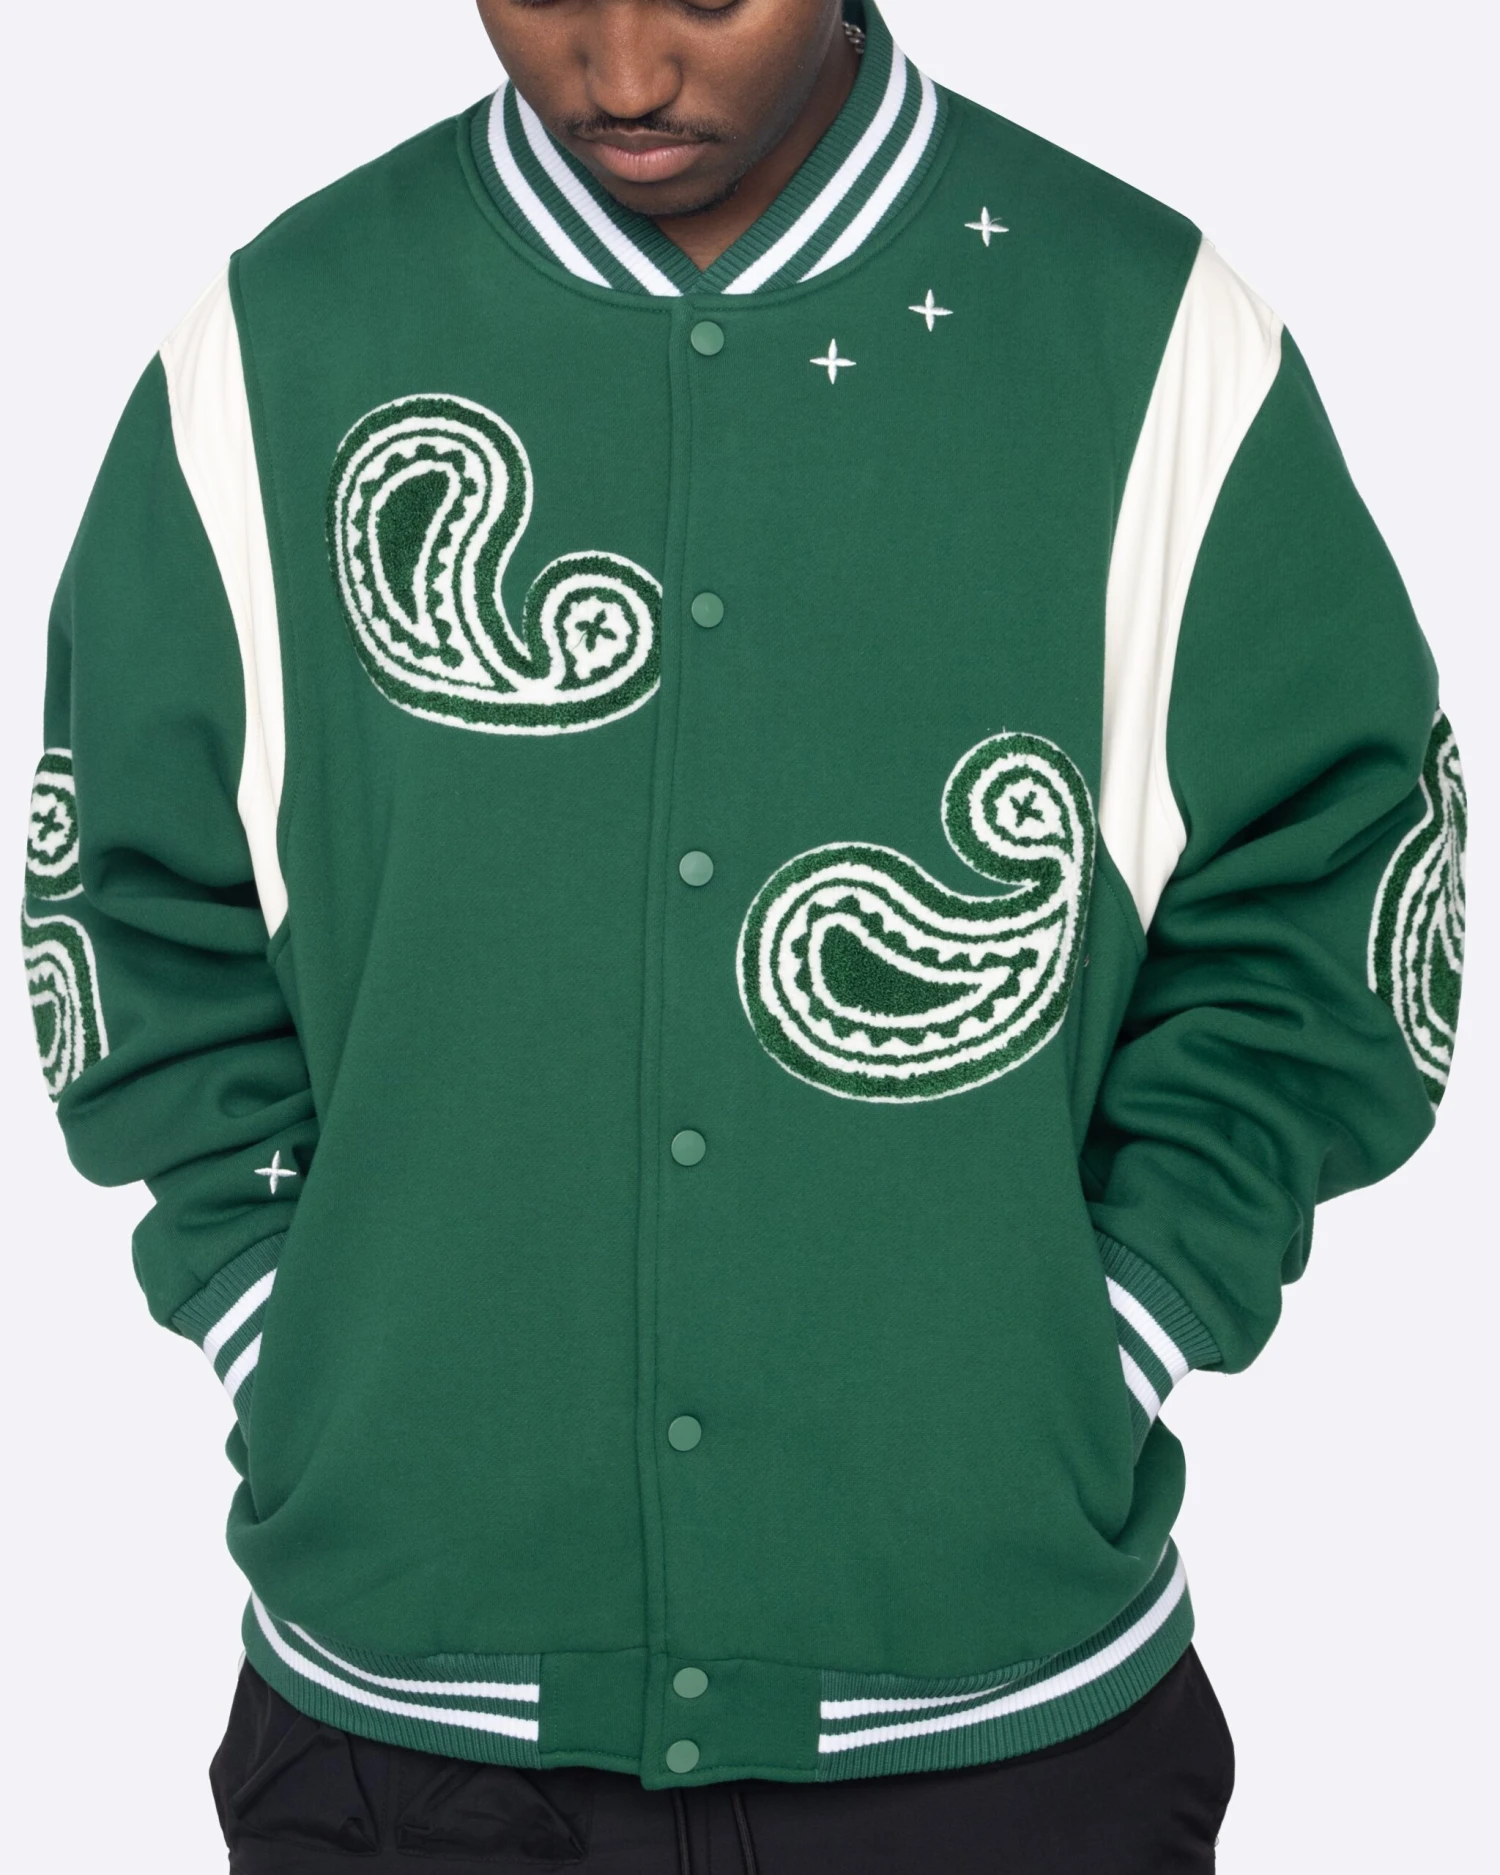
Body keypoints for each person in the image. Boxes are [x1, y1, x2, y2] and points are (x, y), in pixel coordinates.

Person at [20, 1, 1467, 1868]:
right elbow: (125, 898)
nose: (624, 74)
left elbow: (1340, 884)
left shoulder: (1149, 337)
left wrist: (1102, 1330)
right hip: (408, 1722)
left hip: (994, 1726)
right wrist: (289, 1338)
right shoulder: (274, 347)